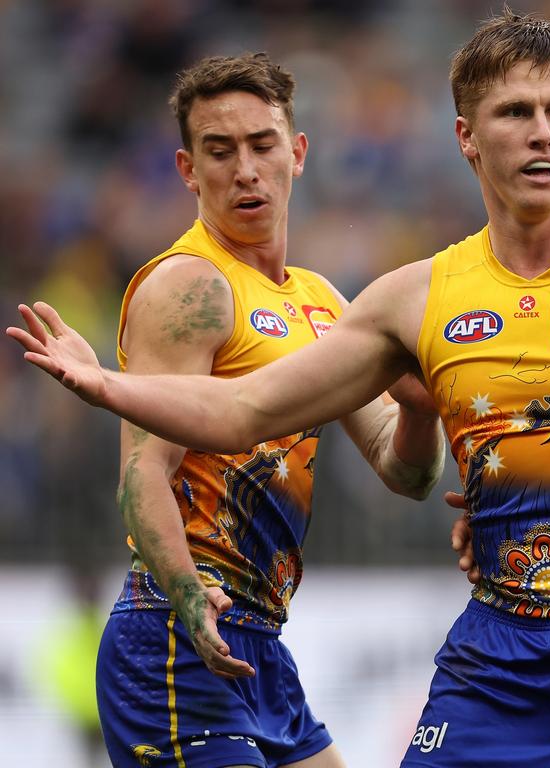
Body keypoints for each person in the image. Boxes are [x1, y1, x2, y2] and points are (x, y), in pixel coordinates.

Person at [8, 12, 550, 767]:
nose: (543, 131)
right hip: (468, 652)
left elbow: (410, 473)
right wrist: (108, 388)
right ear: (467, 139)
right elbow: (232, 417)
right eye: (517, 112)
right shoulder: (384, 298)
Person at [34, 52, 445, 768]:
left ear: (298, 153)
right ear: (189, 170)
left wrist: (418, 410)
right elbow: (142, 476)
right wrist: (191, 603)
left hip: (260, 647)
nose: (245, 169)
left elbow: (405, 473)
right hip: (177, 635)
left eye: (262, 145)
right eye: (219, 152)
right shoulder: (189, 288)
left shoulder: (325, 305)